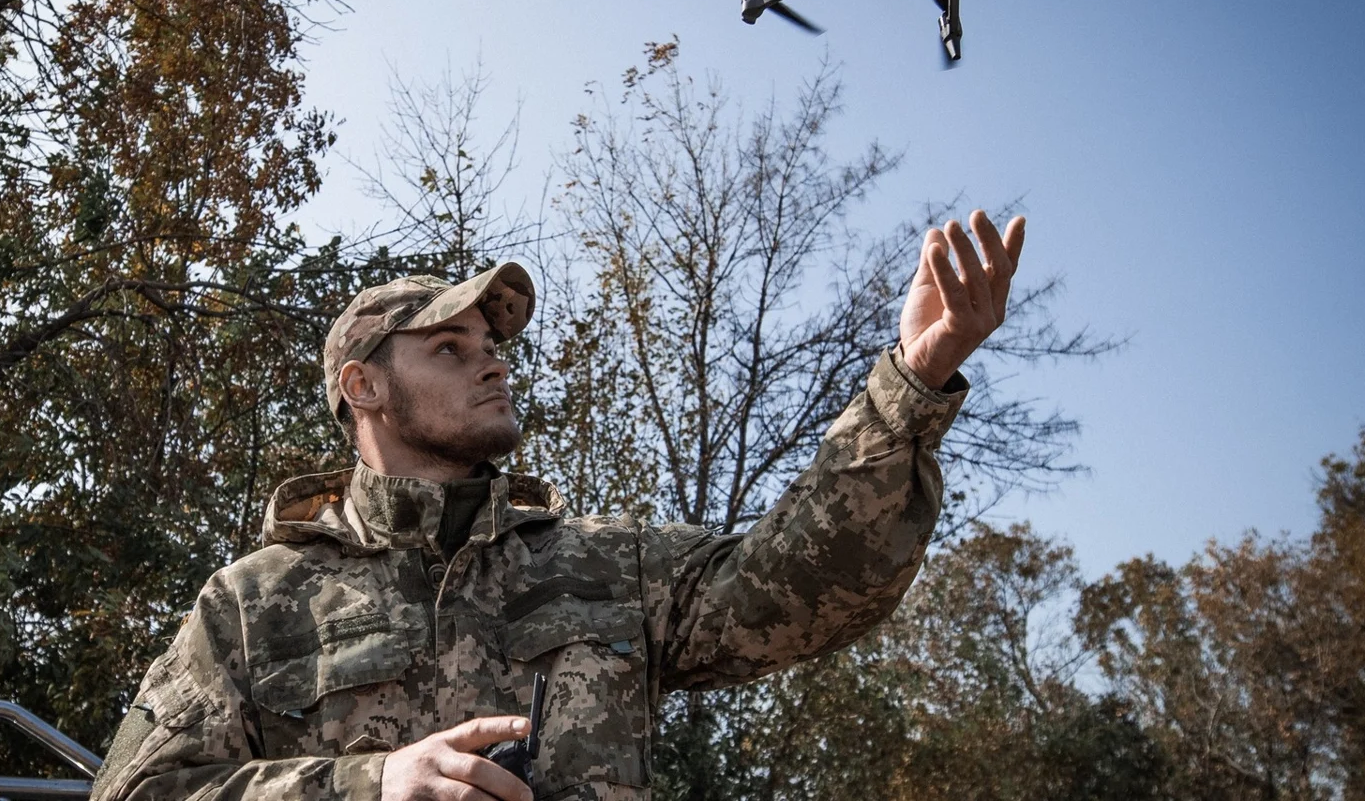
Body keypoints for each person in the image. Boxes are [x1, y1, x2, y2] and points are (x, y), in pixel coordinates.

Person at [93, 212, 1026, 801]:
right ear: (363, 388)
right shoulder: (254, 604)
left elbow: (805, 587)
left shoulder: (602, 564)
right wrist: (373, 785)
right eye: (449, 349)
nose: (493, 359)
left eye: (492, 343)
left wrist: (915, 378)